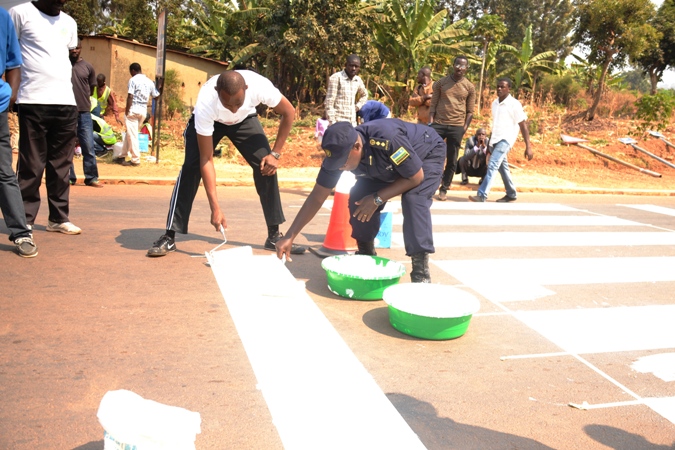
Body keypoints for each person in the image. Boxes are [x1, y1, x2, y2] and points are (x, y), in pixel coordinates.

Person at [146, 70, 307, 257]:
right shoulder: (207, 101)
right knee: (191, 167)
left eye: (238, 102)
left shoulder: (259, 86)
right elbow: (207, 159)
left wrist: (275, 154)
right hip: (212, 122)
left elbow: (289, 112)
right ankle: (169, 235)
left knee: (266, 165)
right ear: (217, 91)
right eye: (227, 103)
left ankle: (273, 237)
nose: (232, 109)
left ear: (246, 89)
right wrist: (215, 208)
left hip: (245, 120)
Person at [275, 119, 445, 283]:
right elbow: (317, 195)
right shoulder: (339, 153)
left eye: (342, 163)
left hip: (425, 155)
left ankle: (420, 272)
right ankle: (366, 253)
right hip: (385, 167)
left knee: (414, 199)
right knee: (359, 197)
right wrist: (291, 235)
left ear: (357, 147)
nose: (340, 167)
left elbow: (415, 177)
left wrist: (378, 198)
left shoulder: (387, 140)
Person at [10, 0, 81, 235]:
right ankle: (25, 219)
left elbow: (69, 55)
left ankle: (58, 218)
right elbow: (8, 51)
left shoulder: (69, 22)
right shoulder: (20, 13)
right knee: (31, 163)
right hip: (32, 99)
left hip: (66, 102)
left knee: (61, 164)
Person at [0, 6, 37, 257]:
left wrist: (11, 97)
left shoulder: (3, 17)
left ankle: (21, 232)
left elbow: (14, 62)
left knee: (3, 172)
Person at [469, 78, 533, 203]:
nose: (499, 89)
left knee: (492, 165)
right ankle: (511, 193)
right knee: (502, 168)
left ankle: (482, 194)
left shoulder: (514, 104)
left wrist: (528, 146)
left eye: (502, 87)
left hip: (506, 140)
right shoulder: (494, 104)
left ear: (509, 88)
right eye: (498, 86)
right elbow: (495, 125)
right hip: (495, 139)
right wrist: (490, 144)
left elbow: (523, 125)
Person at [429, 56, 475, 201]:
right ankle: (429, 186)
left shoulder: (469, 87)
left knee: (452, 159)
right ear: (453, 65)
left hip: (456, 126)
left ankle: (444, 188)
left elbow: (470, 111)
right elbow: (433, 105)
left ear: (467, 68)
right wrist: (431, 124)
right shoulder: (441, 83)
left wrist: (464, 128)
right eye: (457, 64)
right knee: (431, 155)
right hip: (439, 124)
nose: (460, 68)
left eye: (463, 66)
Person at [68, 39, 101, 188]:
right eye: (71, 48)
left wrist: (85, 101)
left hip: (84, 112)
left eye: (77, 48)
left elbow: (93, 87)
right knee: (67, 146)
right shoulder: (63, 65)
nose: (74, 50)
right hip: (67, 111)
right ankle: (69, 177)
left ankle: (91, 177)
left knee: (88, 145)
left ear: (81, 48)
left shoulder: (88, 67)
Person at [115, 63, 159, 166]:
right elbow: (156, 97)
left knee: (133, 135)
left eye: (131, 72)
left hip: (133, 109)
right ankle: (122, 155)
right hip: (143, 111)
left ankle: (135, 159)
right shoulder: (149, 81)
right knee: (130, 133)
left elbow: (130, 96)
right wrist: (160, 87)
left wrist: (127, 110)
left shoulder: (133, 80)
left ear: (133, 70)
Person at [324, 54, 368, 126]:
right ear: (345, 65)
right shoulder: (336, 78)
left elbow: (365, 95)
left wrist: (356, 107)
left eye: (356, 66)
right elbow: (329, 102)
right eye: (351, 65)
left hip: (352, 124)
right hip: (338, 122)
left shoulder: (357, 80)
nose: (353, 68)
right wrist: (333, 123)